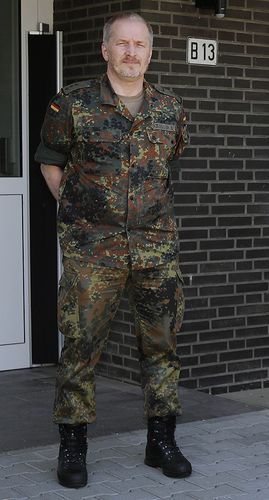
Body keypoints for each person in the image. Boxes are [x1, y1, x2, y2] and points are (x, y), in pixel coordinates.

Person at [34, 11, 191, 489]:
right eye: (121, 44)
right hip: (92, 251)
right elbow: (51, 164)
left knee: (161, 347)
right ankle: (73, 445)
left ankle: (161, 440)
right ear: (105, 50)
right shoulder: (73, 104)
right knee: (81, 346)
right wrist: (84, 212)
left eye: (139, 44)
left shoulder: (170, 109)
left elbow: (168, 170)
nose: (131, 52)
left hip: (154, 250)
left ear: (149, 52)